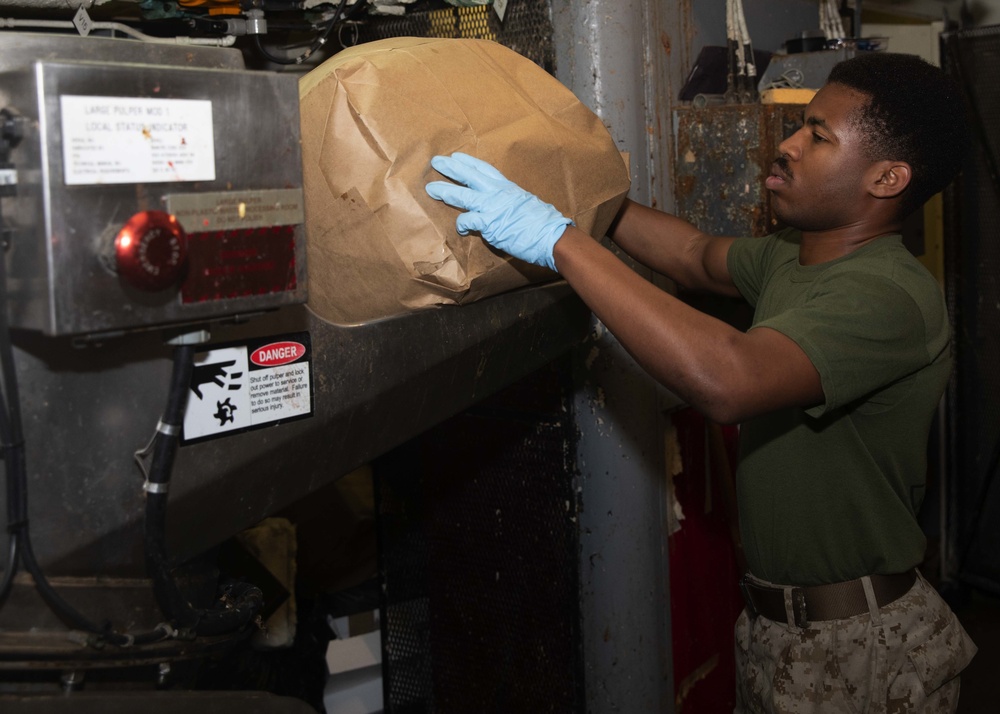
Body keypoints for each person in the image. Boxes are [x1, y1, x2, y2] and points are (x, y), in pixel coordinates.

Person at [426, 51, 977, 712]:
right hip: (780, 630)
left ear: (887, 178)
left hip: (860, 645)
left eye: (819, 136)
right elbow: (690, 255)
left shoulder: (887, 296)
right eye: (800, 125)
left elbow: (728, 380)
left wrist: (559, 239)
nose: (789, 146)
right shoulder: (794, 259)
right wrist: (584, 195)